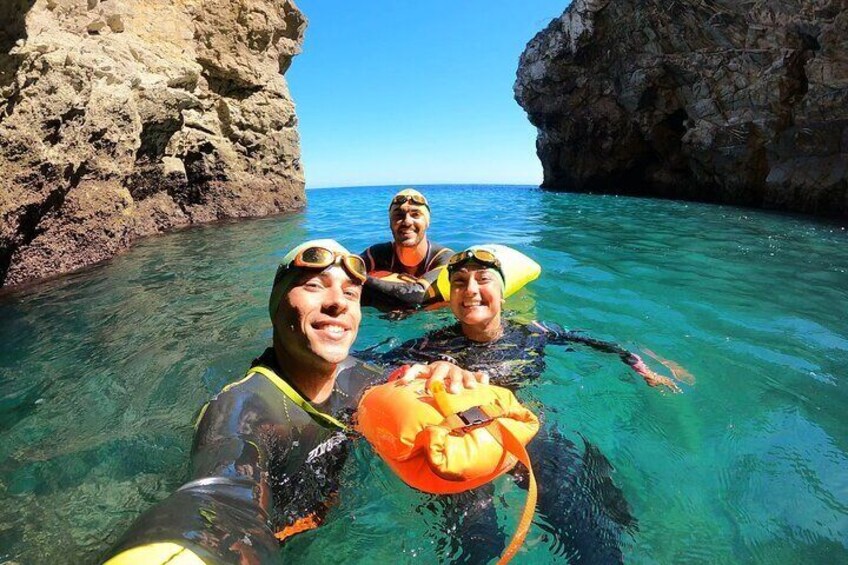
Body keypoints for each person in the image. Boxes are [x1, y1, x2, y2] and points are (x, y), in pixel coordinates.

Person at [104, 240, 486, 565]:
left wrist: (443, 378)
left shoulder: (359, 374)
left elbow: (410, 391)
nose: (337, 303)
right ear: (277, 304)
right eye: (315, 286)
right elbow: (221, 497)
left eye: (351, 294)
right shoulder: (243, 410)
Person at [362, 246, 691, 563]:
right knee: (480, 544)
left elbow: (599, 343)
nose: (470, 289)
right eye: (459, 282)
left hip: (528, 428)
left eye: (483, 279)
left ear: (503, 294)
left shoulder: (534, 332)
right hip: (463, 443)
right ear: (450, 299)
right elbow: (361, 366)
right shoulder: (428, 345)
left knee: (587, 530)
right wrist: (410, 372)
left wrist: (644, 366)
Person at [360, 188, 453, 309]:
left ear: (427, 221)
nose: (407, 222)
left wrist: (360, 278)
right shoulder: (377, 254)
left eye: (415, 214)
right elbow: (346, 270)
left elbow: (418, 294)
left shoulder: (445, 258)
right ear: (390, 222)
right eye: (399, 215)